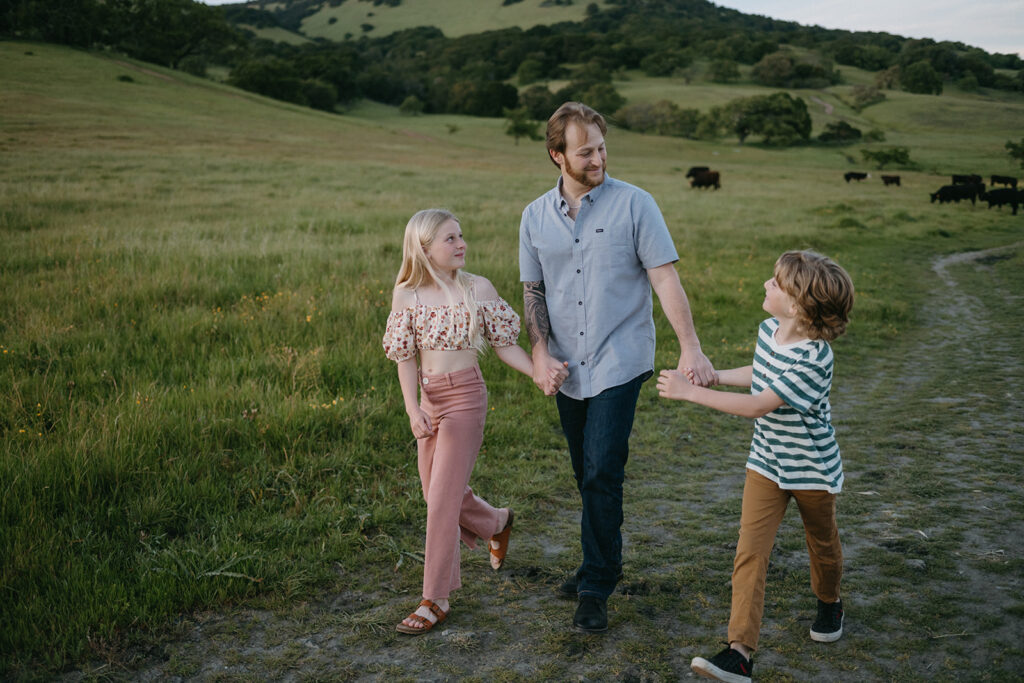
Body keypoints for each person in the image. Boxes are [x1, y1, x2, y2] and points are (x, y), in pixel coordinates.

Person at [519, 101, 715, 633]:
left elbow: (665, 279)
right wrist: (539, 353)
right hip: (566, 365)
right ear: (557, 155)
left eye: (602, 148)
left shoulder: (636, 205)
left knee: (603, 467)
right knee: (585, 471)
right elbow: (532, 291)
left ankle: (596, 584)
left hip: (620, 358)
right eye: (585, 152)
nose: (598, 158)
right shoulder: (534, 216)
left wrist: (690, 347)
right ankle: (597, 558)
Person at [656, 250, 854, 682]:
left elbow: (758, 405)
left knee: (821, 544)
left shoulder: (815, 359)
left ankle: (829, 601)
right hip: (766, 463)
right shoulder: (769, 330)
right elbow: (761, 372)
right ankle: (739, 653)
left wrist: (691, 394)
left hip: (811, 471)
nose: (766, 284)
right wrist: (714, 375)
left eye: (776, 283)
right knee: (750, 551)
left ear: (800, 305)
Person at [383, 208, 568, 635]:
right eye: (450, 239)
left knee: (442, 502)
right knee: (435, 493)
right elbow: (404, 357)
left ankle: (436, 597)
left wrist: (540, 371)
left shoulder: (477, 288)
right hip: (430, 401)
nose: (462, 243)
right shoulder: (407, 295)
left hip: (466, 398)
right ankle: (496, 522)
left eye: (461, 236)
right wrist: (413, 409)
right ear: (424, 247)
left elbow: (505, 346)